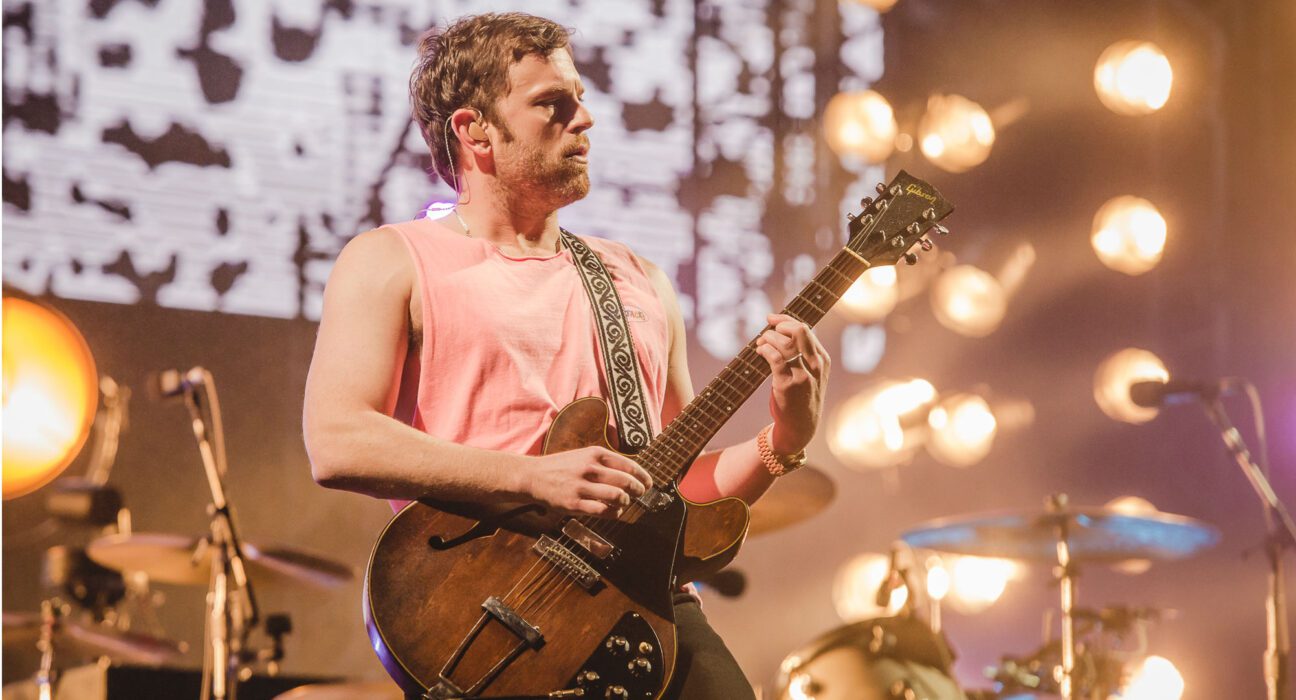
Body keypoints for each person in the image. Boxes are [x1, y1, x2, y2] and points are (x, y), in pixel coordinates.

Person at [302, 12, 829, 698]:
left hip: (643, 606)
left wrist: (784, 438)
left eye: (579, 99)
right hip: (486, 603)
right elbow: (336, 441)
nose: (585, 120)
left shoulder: (637, 279)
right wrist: (533, 479)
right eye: (553, 104)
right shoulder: (391, 260)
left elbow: (674, 494)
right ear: (475, 131)